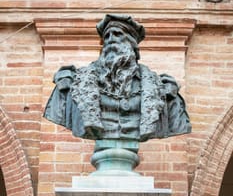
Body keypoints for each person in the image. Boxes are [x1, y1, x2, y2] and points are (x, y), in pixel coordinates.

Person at [44, 14, 191, 142]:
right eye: (107, 36)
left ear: (132, 45)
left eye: (118, 34)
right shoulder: (73, 85)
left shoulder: (163, 90)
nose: (110, 40)